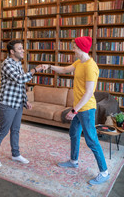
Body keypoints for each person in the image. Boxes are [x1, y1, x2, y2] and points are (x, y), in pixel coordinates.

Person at [42, 36, 110, 185]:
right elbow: (65, 69)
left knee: (92, 140)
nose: (72, 49)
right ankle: (74, 160)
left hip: (85, 109)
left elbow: (88, 93)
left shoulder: (91, 67)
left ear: (80, 49)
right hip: (79, 109)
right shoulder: (79, 62)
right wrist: (50, 66)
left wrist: (74, 111)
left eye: (74, 47)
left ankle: (104, 172)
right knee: (73, 133)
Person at [0, 39, 42, 167]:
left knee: (16, 130)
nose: (23, 50)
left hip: (18, 103)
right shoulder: (7, 64)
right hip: (7, 103)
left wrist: (25, 101)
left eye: (22, 48)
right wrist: (35, 69)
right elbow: (19, 79)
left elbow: (21, 86)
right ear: (12, 51)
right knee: (3, 130)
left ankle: (15, 154)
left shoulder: (18, 64)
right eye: (20, 48)